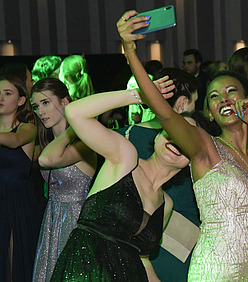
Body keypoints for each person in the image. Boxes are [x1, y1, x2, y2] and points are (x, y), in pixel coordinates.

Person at [118, 10, 248, 281]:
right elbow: (164, 113)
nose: (223, 99)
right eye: (214, 96)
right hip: (217, 270)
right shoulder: (204, 146)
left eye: (231, 91)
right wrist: (130, 51)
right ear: (209, 113)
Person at [49, 77, 188, 281]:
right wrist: (139, 95)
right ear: (157, 135)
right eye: (173, 131)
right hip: (86, 272)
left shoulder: (166, 204)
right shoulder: (126, 157)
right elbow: (74, 112)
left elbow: (143, 259)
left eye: (187, 138)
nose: (177, 140)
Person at [116, 67, 200, 282]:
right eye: (194, 103)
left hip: (134, 238)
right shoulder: (197, 141)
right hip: (182, 241)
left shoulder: (126, 135)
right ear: (181, 104)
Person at [30, 78, 97, 281]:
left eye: (46, 103)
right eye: (36, 106)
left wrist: (73, 127)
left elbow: (47, 159)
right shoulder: (49, 143)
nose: (40, 112)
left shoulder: (83, 143)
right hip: (52, 219)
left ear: (65, 102)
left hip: (76, 222)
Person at [0, 75, 40, 281]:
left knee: (13, 261)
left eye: (7, 93)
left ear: (21, 100)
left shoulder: (27, 128)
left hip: (16, 201)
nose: (0, 98)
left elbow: (14, 141)